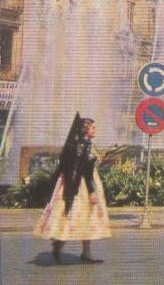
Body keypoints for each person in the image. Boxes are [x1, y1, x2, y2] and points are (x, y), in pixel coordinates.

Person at [33, 113, 111, 264]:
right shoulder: (84, 145)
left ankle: (85, 252)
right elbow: (85, 170)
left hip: (76, 182)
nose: (95, 130)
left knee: (85, 216)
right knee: (73, 214)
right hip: (80, 185)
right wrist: (91, 192)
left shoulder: (82, 143)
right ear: (85, 129)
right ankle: (59, 244)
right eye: (93, 128)